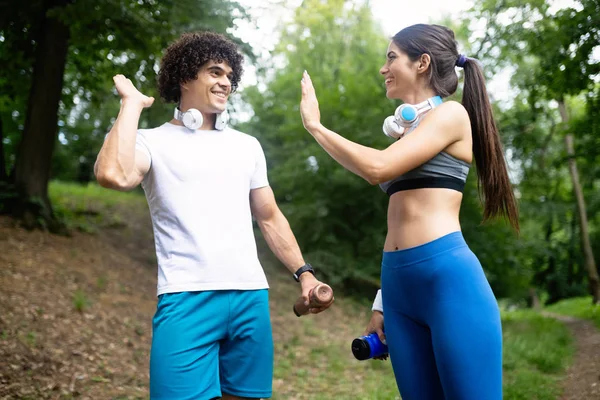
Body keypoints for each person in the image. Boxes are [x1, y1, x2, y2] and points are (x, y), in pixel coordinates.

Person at [94, 31, 333, 400]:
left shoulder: (246, 145)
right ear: (185, 76)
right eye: (215, 72)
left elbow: (269, 218)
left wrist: (304, 273)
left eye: (229, 77)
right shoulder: (152, 141)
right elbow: (113, 174)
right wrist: (131, 105)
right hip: (186, 299)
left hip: (250, 298)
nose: (225, 83)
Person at [299, 23, 518, 400]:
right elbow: (401, 216)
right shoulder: (410, 132)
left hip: (446, 281)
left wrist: (316, 127)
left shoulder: (451, 116)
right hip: (398, 288)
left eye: (391, 58)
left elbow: (377, 169)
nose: (384, 69)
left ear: (422, 63)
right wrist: (384, 301)